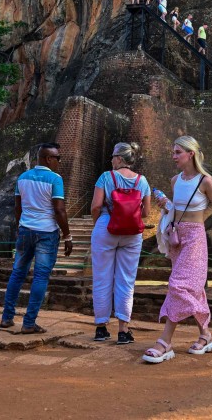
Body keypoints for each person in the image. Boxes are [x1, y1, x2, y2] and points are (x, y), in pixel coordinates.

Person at [143, 136, 212, 363]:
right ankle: (205, 335)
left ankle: (165, 342)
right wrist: (166, 205)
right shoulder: (176, 180)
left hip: (196, 239)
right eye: (173, 151)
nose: (174, 156)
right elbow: (176, 210)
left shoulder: (206, 181)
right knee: (193, 289)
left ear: (191, 154)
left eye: (178, 152)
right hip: (178, 239)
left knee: (178, 285)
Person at [0, 143, 73, 332]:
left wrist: (20, 226)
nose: (59, 162)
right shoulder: (55, 179)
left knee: (17, 273)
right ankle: (29, 322)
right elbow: (59, 209)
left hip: (25, 230)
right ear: (48, 159)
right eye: (58, 158)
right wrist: (67, 235)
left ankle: (7, 318)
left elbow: (17, 207)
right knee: (40, 276)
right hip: (46, 233)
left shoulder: (23, 177)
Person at [90, 142, 151, 344]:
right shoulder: (142, 182)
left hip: (106, 226)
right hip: (132, 232)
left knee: (101, 277)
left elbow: (96, 206)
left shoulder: (106, 177)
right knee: (126, 280)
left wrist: (97, 223)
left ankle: (101, 327)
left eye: (113, 156)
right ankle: (123, 330)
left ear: (120, 158)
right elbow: (146, 213)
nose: (111, 159)